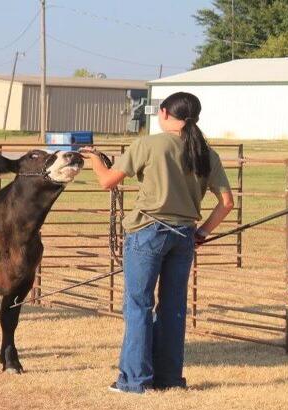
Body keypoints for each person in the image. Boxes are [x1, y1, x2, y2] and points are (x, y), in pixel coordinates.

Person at [79, 91, 235, 393]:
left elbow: (108, 181)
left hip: (148, 231)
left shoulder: (149, 144)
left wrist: (96, 161)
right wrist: (201, 233)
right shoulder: (206, 153)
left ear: (163, 113)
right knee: (173, 307)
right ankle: (169, 378)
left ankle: (134, 380)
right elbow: (226, 202)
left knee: (138, 305)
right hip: (184, 235)